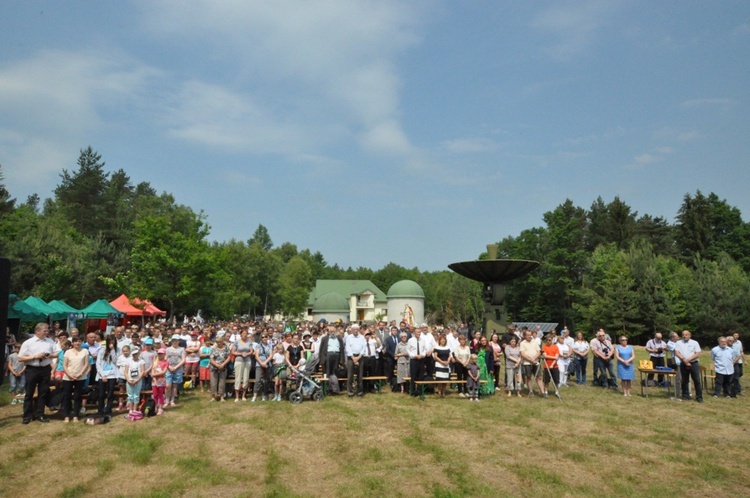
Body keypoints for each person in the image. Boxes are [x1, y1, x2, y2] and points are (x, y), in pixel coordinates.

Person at [18, 322, 57, 424]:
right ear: (37, 331)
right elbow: (20, 358)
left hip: (45, 369)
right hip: (32, 369)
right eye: (45, 331)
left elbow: (57, 353)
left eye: (47, 330)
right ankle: (27, 416)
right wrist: (35, 356)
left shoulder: (50, 341)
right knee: (29, 393)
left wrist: (49, 355)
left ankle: (40, 414)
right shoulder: (28, 343)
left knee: (43, 393)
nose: (47, 332)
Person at [62, 336, 90, 423]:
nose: (77, 343)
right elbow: (64, 365)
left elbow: (86, 364)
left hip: (80, 377)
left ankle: (75, 415)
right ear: (72, 343)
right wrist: (69, 375)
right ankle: (66, 415)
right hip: (68, 377)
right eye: (76, 341)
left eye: (79, 341)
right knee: (67, 396)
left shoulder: (85, 351)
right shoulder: (68, 352)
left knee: (77, 396)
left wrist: (80, 374)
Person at [674, 330, 703, 403]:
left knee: (697, 380)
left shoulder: (695, 342)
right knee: (684, 380)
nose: (684, 336)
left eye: (686, 335)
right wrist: (684, 360)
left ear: (690, 335)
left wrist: (689, 360)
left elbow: (698, 353)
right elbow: (677, 352)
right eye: (683, 335)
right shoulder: (678, 343)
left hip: (694, 363)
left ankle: (699, 397)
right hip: (683, 363)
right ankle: (685, 395)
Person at [96, 336, 119, 417]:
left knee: (110, 394)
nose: (111, 343)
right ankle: (100, 411)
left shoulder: (117, 350)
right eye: (110, 341)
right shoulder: (102, 350)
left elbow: (115, 361)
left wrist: (112, 350)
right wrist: (102, 375)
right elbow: (98, 364)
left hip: (112, 375)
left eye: (113, 341)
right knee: (101, 394)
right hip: (102, 375)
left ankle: (108, 411)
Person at [232, 330, 255, 402]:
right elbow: (233, 352)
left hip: (247, 361)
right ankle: (237, 396)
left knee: (246, 378)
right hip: (239, 360)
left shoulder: (249, 342)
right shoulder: (236, 342)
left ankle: (243, 396)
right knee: (238, 378)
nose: (245, 335)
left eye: (246, 333)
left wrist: (247, 354)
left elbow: (251, 351)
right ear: (241, 334)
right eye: (243, 334)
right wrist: (240, 354)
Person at [344, 324, 366, 397]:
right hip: (351, 357)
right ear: (352, 330)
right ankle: (350, 392)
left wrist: (358, 357)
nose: (355, 331)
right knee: (350, 375)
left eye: (357, 329)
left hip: (360, 357)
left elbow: (363, 348)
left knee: (360, 375)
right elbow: (347, 348)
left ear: (358, 330)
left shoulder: (362, 337)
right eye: (354, 329)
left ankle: (360, 392)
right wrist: (353, 358)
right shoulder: (348, 337)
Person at [520, 329, 543, 396]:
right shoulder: (522, 343)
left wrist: (534, 358)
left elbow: (539, 351)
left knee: (539, 377)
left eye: (530, 335)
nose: (530, 336)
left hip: (536, 362)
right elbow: (523, 354)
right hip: (527, 363)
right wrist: (530, 360)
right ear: (525, 336)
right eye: (528, 335)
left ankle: (542, 392)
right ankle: (530, 391)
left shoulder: (534, 342)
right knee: (529, 377)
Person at [165, 335, 186, 406]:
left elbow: (183, 360)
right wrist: (169, 367)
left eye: (176, 340)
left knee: (174, 385)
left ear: (179, 341)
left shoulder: (182, 349)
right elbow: (165, 359)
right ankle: (167, 400)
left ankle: (172, 400)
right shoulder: (168, 349)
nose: (174, 342)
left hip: (178, 369)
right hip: (168, 369)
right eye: (173, 340)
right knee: (168, 385)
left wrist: (176, 367)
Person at [209, 336, 231, 402]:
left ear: (222, 342)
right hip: (214, 367)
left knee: (222, 382)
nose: (219, 343)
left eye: (220, 342)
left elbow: (228, 357)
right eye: (217, 342)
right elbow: (211, 359)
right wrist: (216, 365)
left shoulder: (226, 348)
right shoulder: (213, 348)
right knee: (213, 382)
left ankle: (221, 396)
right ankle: (213, 396)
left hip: (223, 367)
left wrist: (223, 364)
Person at [252, 333, 272, 402]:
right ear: (261, 338)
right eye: (263, 337)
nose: (264, 338)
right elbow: (256, 356)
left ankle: (264, 395)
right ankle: (254, 395)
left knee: (265, 381)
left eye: (265, 337)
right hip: (259, 364)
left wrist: (265, 362)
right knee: (257, 380)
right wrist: (261, 363)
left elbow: (270, 355)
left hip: (267, 364)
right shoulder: (258, 345)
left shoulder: (270, 346)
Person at [407, 327, 427, 396]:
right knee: (413, 376)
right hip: (414, 360)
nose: (419, 333)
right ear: (414, 333)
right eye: (417, 332)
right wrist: (414, 355)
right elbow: (408, 350)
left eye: (419, 332)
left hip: (421, 360)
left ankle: (419, 391)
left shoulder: (423, 340)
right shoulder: (410, 340)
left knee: (421, 376)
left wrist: (422, 355)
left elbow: (425, 350)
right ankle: (412, 391)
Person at [125, 347, 145, 415]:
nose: (135, 355)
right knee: (130, 395)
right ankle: (130, 410)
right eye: (133, 354)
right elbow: (126, 372)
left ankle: (135, 409)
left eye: (136, 354)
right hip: (130, 380)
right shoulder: (128, 361)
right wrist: (128, 380)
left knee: (136, 395)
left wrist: (138, 380)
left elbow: (142, 371)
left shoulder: (141, 361)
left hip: (138, 380)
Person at [151, 348, 168, 414]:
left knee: (160, 394)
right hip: (154, 381)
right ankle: (155, 406)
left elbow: (163, 372)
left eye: (161, 354)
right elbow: (152, 372)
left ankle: (160, 408)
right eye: (159, 354)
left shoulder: (166, 362)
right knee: (155, 395)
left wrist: (155, 374)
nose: (160, 355)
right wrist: (154, 379)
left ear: (164, 354)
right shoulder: (155, 362)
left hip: (161, 380)